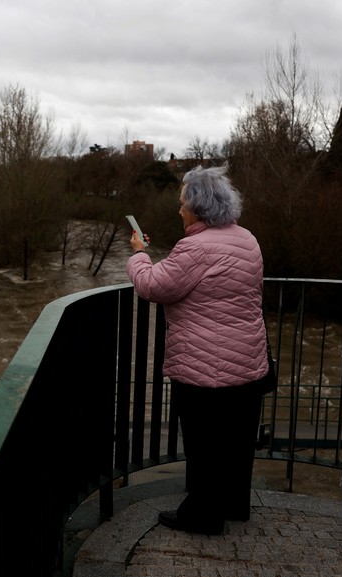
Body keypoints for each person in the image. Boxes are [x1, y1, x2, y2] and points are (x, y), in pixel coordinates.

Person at [126, 164, 268, 535]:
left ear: (199, 207)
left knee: (205, 445)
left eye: (182, 203)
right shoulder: (248, 239)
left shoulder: (194, 248)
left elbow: (154, 286)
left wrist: (140, 254)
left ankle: (203, 517)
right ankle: (234, 505)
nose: (179, 210)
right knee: (236, 443)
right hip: (249, 363)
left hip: (206, 369)